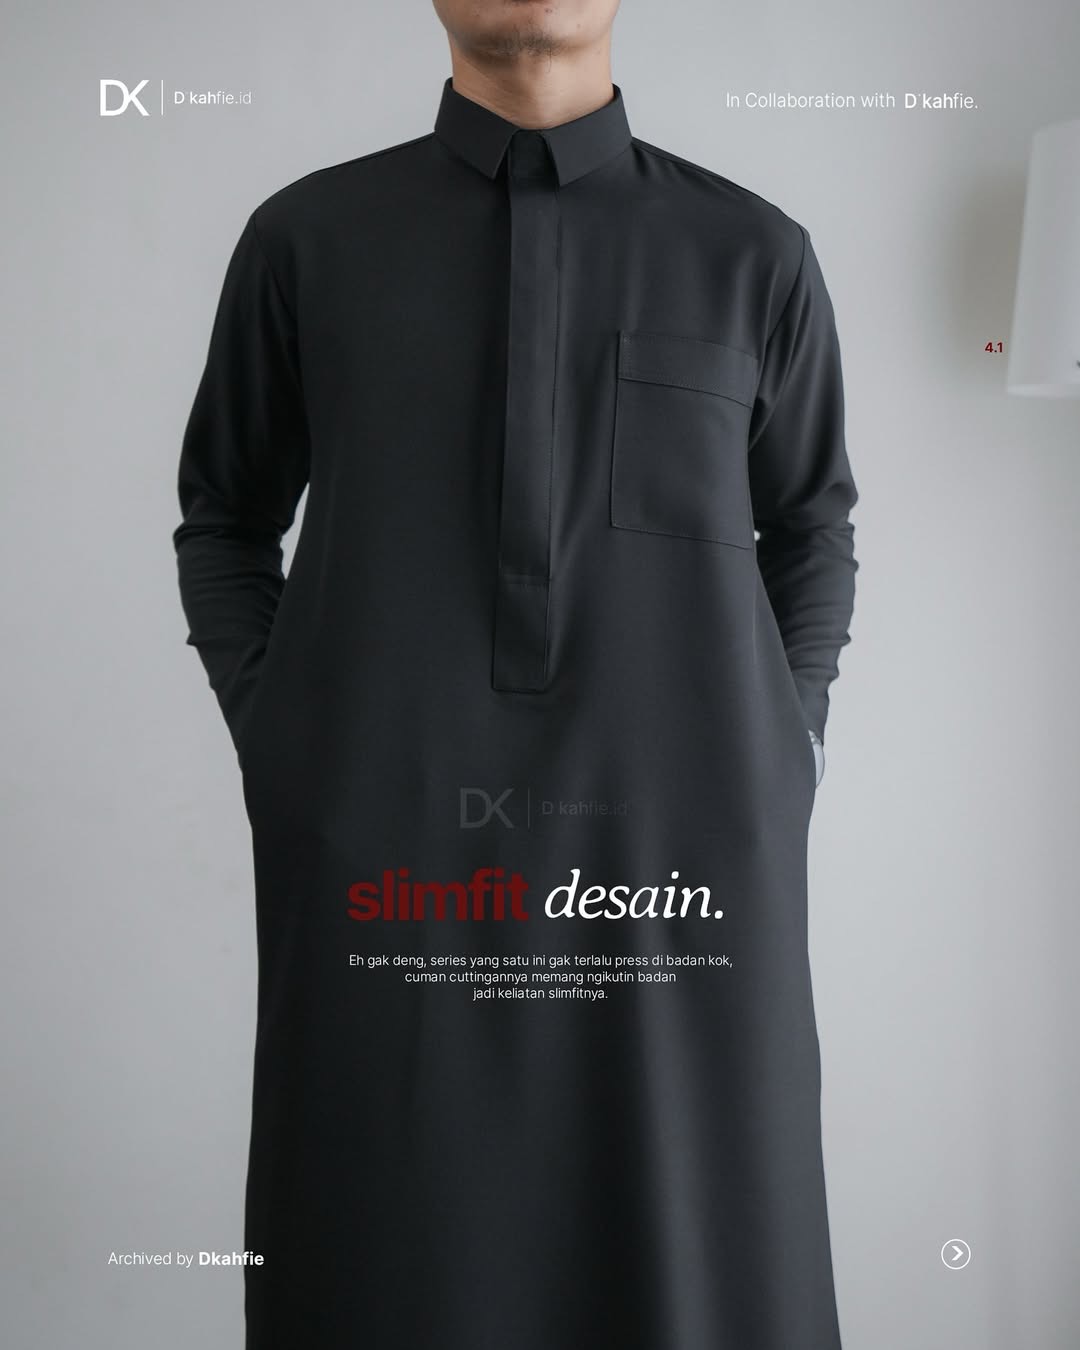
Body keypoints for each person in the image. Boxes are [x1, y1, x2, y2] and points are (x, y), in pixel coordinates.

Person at [172, 1, 858, 1346]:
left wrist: (786, 741)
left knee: (702, 1242)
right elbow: (225, 517)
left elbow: (813, 524)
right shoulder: (308, 242)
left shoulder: (751, 254)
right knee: (382, 1246)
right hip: (390, 850)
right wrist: (284, 730)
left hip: (683, 856)